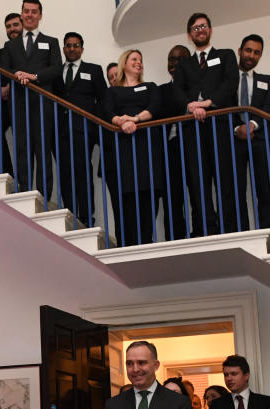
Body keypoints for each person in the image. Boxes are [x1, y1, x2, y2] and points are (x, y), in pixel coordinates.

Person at [171, 12, 240, 237]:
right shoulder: (184, 65)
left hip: (219, 123)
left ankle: (229, 229)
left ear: (210, 29)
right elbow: (177, 90)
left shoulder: (226, 55)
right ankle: (208, 230)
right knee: (199, 181)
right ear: (189, 35)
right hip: (193, 128)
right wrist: (191, 106)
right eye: (195, 28)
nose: (199, 30)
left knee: (225, 180)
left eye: (203, 26)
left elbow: (231, 82)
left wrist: (209, 103)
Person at [0, 0, 62, 197]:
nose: (30, 15)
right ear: (22, 13)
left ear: (40, 15)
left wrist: (34, 77)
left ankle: (44, 197)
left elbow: (56, 69)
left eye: (34, 11)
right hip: (18, 104)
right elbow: (3, 69)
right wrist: (14, 74)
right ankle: (25, 193)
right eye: (26, 11)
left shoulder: (51, 42)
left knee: (43, 151)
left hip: (43, 104)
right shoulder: (10, 45)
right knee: (22, 150)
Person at [100, 49, 162, 247]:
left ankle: (146, 241)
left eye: (141, 60)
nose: (139, 62)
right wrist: (120, 122)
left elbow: (154, 107)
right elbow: (107, 112)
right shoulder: (112, 91)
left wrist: (133, 119)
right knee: (125, 200)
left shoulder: (150, 87)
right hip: (123, 151)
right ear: (124, 63)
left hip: (146, 148)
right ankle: (127, 244)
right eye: (134, 59)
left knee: (148, 197)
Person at [53, 31, 107, 227]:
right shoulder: (55, 71)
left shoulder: (93, 70)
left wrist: (94, 125)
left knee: (83, 172)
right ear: (64, 48)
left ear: (82, 49)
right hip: (60, 130)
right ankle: (70, 214)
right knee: (65, 173)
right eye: (68, 45)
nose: (72, 48)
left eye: (76, 45)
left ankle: (86, 217)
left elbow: (103, 100)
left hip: (84, 130)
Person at [231, 34, 270, 234]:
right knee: (235, 191)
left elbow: (269, 107)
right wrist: (237, 128)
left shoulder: (267, 80)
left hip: (260, 139)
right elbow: (223, 107)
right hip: (233, 140)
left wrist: (251, 125)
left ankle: (269, 236)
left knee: (265, 191)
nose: (251, 55)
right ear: (240, 51)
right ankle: (242, 235)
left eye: (256, 52)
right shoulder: (227, 79)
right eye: (248, 50)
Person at [156, 45, 191, 240]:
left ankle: (201, 235)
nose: (174, 63)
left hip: (194, 147)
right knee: (172, 197)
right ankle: (175, 238)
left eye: (180, 59)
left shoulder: (198, 88)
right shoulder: (161, 91)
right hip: (171, 148)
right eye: (171, 59)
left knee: (198, 195)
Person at [0, 13, 22, 176]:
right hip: (0, 99)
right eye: (8, 26)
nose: (12, 29)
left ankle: (23, 178)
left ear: (22, 26)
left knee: (21, 138)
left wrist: (10, 86)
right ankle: (7, 173)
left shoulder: (28, 50)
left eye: (15, 25)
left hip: (20, 99)